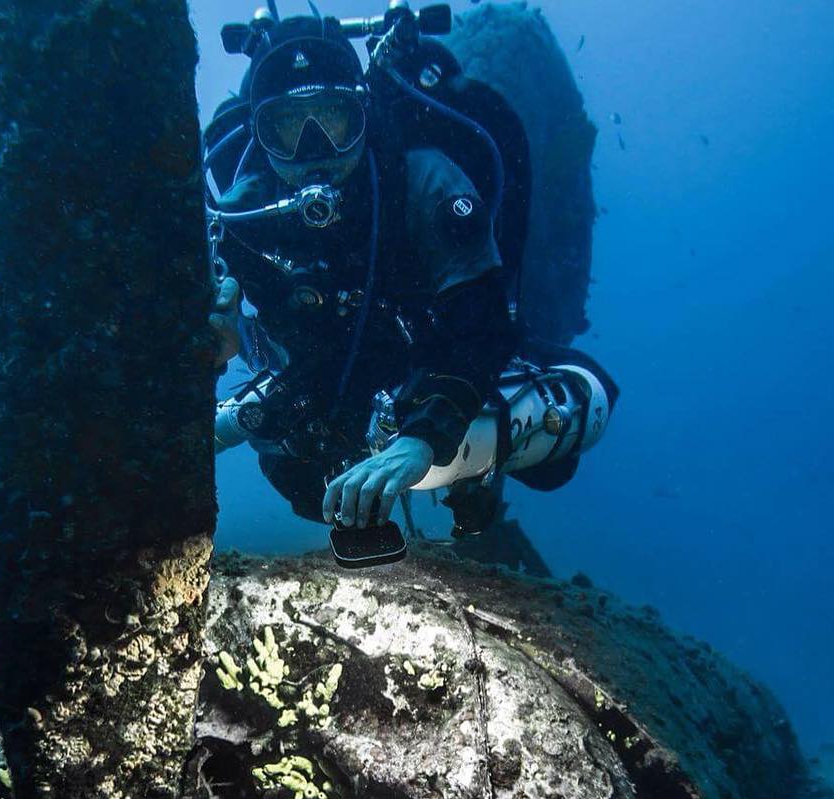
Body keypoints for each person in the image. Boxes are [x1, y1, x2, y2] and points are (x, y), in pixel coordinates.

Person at [207, 10, 617, 538]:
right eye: (286, 128)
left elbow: (482, 322)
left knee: (564, 446)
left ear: (363, 115)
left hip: (435, 354)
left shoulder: (421, 182)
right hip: (327, 377)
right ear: (260, 136)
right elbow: (227, 320)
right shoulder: (241, 218)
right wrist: (213, 346)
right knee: (305, 487)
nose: (314, 153)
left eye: (333, 120)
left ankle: (468, 466)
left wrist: (424, 438)